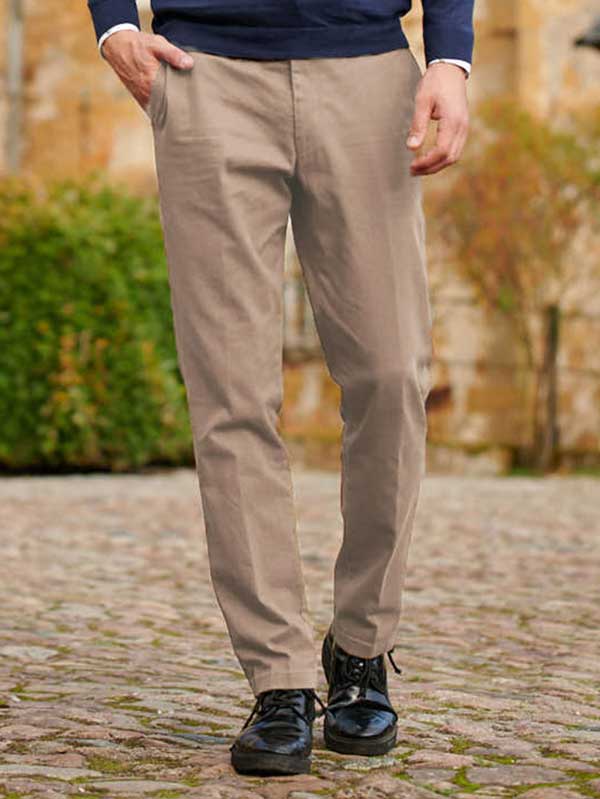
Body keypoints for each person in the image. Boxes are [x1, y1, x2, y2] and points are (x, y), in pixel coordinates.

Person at [87, 0, 474, 777]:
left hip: (367, 73)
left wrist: (450, 57)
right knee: (230, 393)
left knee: (394, 373)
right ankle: (279, 677)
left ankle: (361, 645)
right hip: (207, 74)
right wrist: (114, 27)